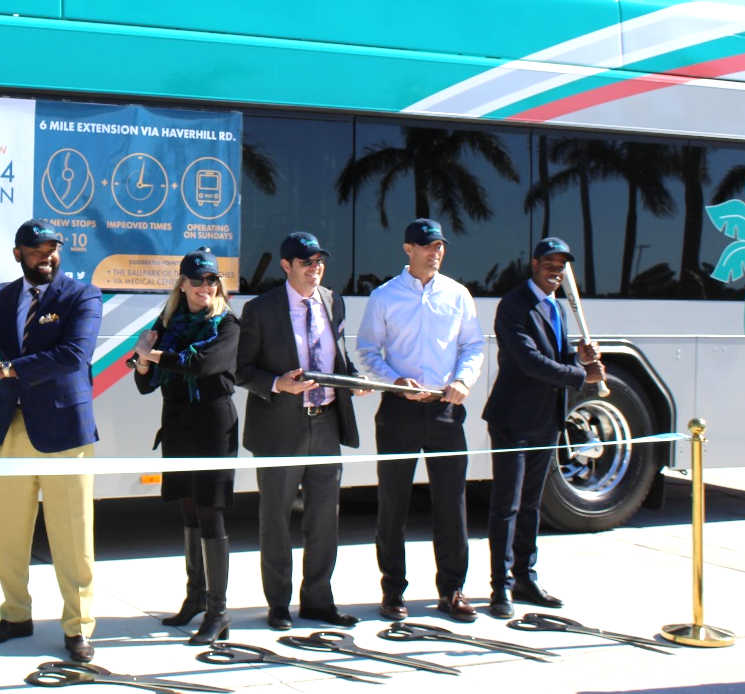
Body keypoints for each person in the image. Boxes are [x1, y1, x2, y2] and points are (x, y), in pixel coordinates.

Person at [0, 219, 103, 663]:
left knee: (73, 537)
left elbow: (76, 355)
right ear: (18, 254)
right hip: (11, 429)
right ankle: (15, 615)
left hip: (65, 433)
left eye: (53, 248)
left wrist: (10, 369)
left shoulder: (82, 295)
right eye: (37, 250)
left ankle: (79, 628)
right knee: (9, 533)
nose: (47, 256)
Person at [356, 218, 484, 624]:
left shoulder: (458, 295)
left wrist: (464, 380)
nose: (436, 252)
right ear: (407, 248)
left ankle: (453, 590)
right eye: (427, 245)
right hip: (398, 411)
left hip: (446, 409)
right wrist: (394, 381)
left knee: (452, 504)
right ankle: (393, 591)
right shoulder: (384, 296)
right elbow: (367, 351)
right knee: (394, 504)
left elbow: (473, 346)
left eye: (440, 245)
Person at [236, 232, 365, 631]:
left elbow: (337, 358)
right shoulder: (260, 309)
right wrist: (278, 383)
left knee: (325, 519)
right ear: (286, 266)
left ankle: (318, 601)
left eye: (319, 261)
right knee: (275, 519)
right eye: (306, 262)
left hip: (325, 423)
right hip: (280, 428)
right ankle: (278, 604)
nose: (315, 268)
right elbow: (241, 370)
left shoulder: (332, 300)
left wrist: (354, 379)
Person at [484, 236, 605, 618]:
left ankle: (525, 576)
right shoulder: (513, 305)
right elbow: (528, 361)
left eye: (561, 267)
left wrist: (577, 356)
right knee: (508, 505)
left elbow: (555, 355)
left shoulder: (556, 307)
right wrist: (581, 375)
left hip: (546, 419)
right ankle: (500, 587)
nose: (556, 272)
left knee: (532, 505)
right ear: (534, 264)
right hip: (513, 419)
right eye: (550, 264)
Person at [129, 248, 240, 645]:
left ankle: (219, 610)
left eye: (212, 280)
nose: (205, 287)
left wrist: (150, 354)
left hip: (212, 425)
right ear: (182, 284)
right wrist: (144, 363)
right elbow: (145, 383)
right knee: (189, 511)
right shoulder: (168, 322)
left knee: (211, 513)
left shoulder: (226, 324)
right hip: (177, 424)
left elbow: (202, 365)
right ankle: (195, 597)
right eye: (197, 281)